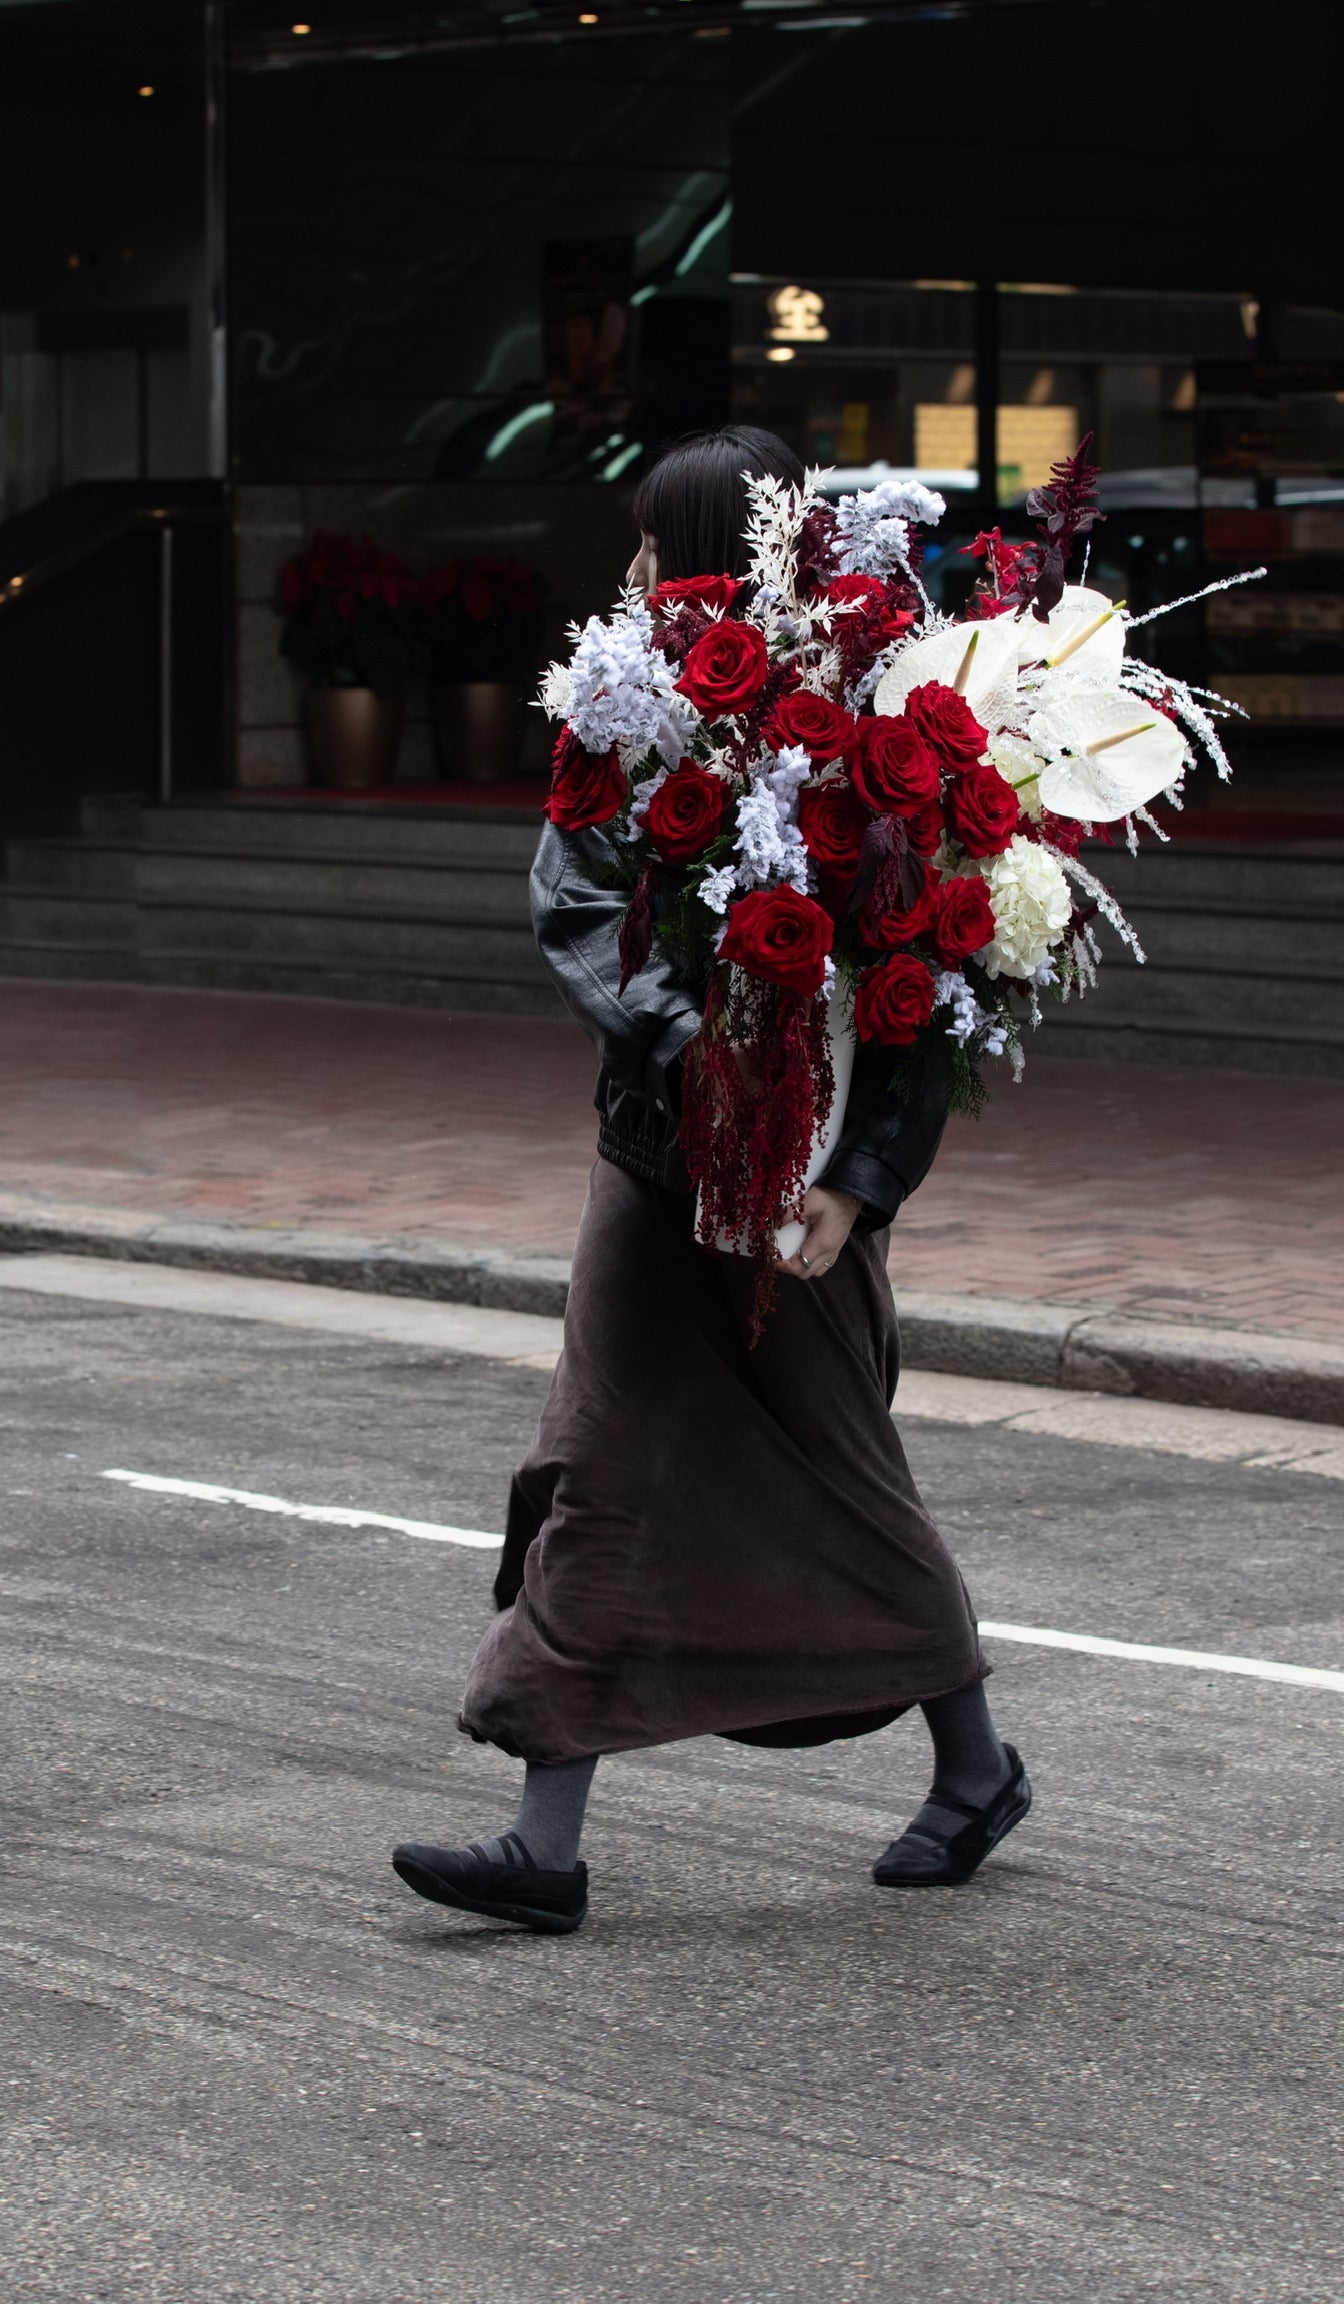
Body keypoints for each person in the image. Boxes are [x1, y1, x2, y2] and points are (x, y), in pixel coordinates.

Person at [392, 425, 1030, 1936]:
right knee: (602, 1462)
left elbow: (934, 989)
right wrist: (700, 1050)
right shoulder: (626, 708)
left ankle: (979, 1770)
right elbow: (580, 906)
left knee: (843, 1487)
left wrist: (855, 1182)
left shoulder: (890, 705)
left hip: (802, 1193)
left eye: (644, 539)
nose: (623, 569)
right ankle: (544, 1850)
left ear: (702, 549)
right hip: (657, 1162)